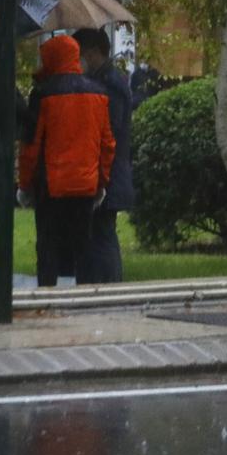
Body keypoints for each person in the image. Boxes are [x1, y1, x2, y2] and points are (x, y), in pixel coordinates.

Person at [20, 34, 115, 288]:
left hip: (50, 184)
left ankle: (47, 294)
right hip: (86, 183)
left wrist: (25, 183)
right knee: (84, 245)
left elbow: (31, 145)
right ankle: (85, 294)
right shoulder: (98, 93)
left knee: (48, 246)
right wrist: (102, 181)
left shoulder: (43, 94)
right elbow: (107, 144)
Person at [74, 27, 139, 285]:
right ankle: (102, 282)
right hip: (108, 171)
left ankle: (109, 285)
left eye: (79, 55)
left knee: (102, 235)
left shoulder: (109, 84)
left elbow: (107, 131)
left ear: (91, 53)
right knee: (99, 234)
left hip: (108, 174)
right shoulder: (109, 81)